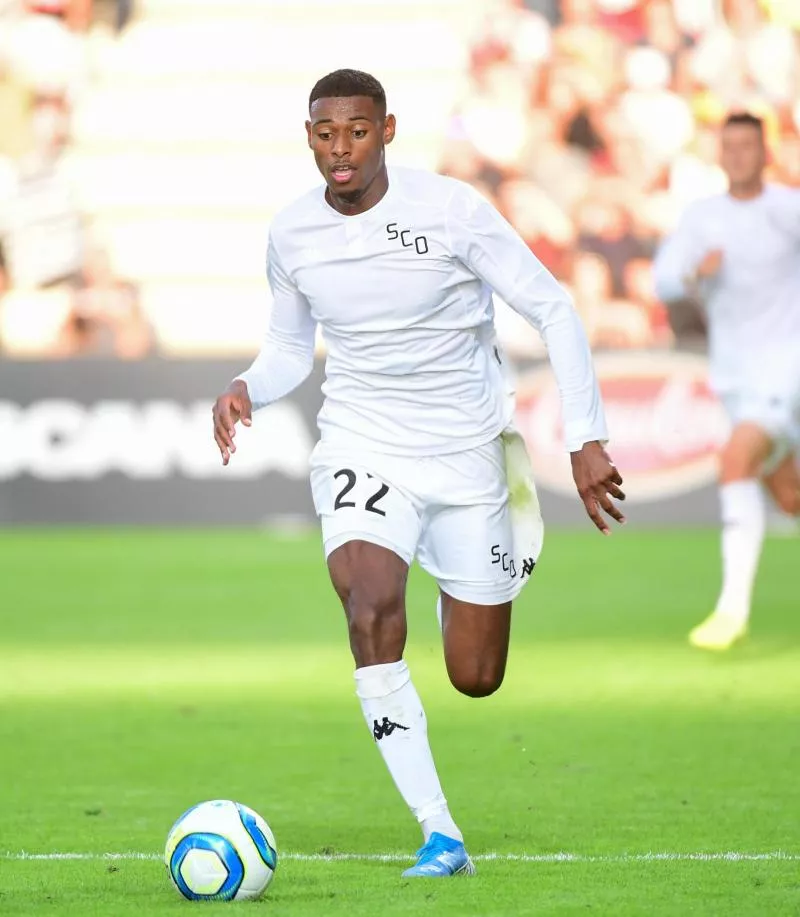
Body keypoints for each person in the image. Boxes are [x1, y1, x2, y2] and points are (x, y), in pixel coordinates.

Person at [212, 69, 624, 877]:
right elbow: (293, 346)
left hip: (469, 456)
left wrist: (586, 437)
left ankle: (449, 571)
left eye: (357, 132)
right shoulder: (291, 233)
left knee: (476, 676)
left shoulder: (450, 212)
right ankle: (440, 832)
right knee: (368, 606)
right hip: (363, 442)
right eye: (326, 133)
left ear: (388, 131)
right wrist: (245, 386)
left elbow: (553, 308)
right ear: (309, 136)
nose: (341, 149)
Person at [653, 111, 800, 652]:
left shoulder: (787, 209)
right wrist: (695, 274)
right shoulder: (702, 218)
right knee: (789, 497)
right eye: (730, 146)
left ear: (765, 153)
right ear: (720, 155)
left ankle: (730, 611)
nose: (739, 155)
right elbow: (663, 279)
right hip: (735, 377)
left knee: (735, 460)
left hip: (787, 369)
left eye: (748, 146)